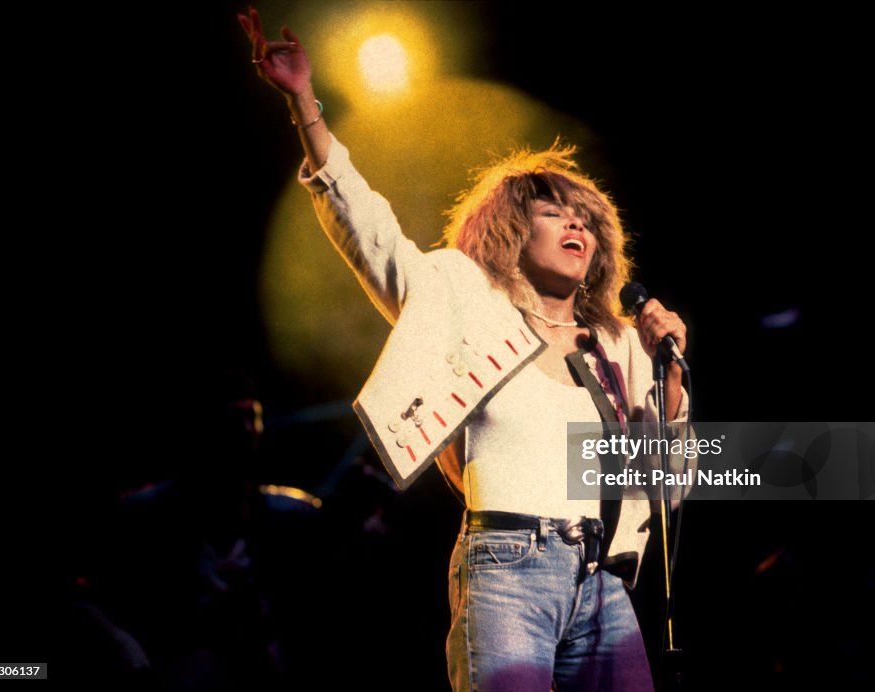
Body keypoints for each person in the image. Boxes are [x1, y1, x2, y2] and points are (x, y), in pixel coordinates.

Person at [239, 8, 690, 691]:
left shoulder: (619, 346)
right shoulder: (466, 302)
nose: (576, 223)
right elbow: (375, 238)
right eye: (552, 211)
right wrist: (306, 105)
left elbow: (666, 487)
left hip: (604, 585)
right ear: (510, 230)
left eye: (586, 219)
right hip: (508, 565)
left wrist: (672, 382)